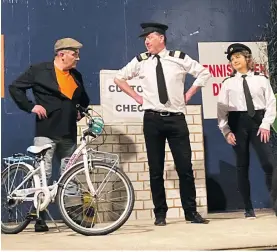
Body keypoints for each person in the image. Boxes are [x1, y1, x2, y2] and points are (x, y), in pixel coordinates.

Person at [114, 22, 211, 226]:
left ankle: (191, 212)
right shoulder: (140, 61)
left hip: (176, 119)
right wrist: (136, 97)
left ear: (161, 38)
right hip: (152, 120)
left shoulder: (178, 58)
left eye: (149, 37)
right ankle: (160, 214)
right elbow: (119, 78)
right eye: (145, 39)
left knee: (185, 167)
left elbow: (204, 73)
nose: (146, 42)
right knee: (155, 169)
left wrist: (189, 93)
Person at [9, 37, 90, 232]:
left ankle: (73, 216)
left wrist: (79, 110)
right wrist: (31, 106)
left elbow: (84, 99)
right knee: (43, 174)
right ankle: (39, 218)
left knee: (68, 175)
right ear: (62, 55)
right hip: (46, 130)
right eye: (74, 54)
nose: (77, 58)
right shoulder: (39, 70)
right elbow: (15, 88)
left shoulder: (76, 75)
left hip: (68, 132)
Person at [217, 43, 276, 218]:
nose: (234, 60)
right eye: (232, 59)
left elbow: (271, 103)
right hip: (237, 123)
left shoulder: (261, 79)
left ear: (247, 58)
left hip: (258, 122)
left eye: (237, 57)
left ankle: (276, 203)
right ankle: (248, 208)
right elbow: (221, 110)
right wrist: (226, 131)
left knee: (270, 164)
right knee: (242, 166)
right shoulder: (227, 83)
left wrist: (266, 123)